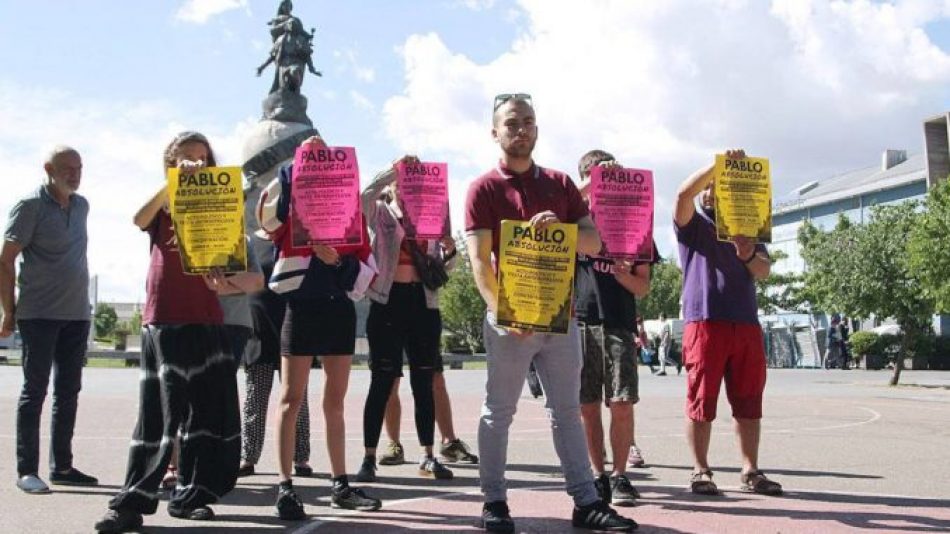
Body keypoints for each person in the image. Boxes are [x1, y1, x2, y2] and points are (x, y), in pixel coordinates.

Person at [465, 93, 637, 533]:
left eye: (528, 121)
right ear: (495, 132)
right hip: (510, 321)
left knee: (567, 410)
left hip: (561, 317)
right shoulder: (482, 189)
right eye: (511, 123)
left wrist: (560, 230)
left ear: (537, 129)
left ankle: (586, 501)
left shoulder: (560, 184)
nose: (520, 129)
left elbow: (594, 242)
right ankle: (495, 503)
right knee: (498, 411)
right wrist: (501, 312)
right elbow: (480, 261)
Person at [95, 132, 241, 533]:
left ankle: (191, 494)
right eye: (186, 158)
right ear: (171, 161)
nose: (195, 163)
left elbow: (232, 257)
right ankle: (132, 502)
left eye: (201, 158)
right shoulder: (163, 205)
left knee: (205, 412)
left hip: (207, 315)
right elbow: (139, 218)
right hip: (164, 315)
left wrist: (226, 274)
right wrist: (172, 182)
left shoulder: (219, 203)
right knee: (159, 414)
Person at [257, 135, 381, 520]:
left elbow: (363, 271)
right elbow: (265, 221)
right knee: (290, 398)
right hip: (300, 305)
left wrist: (333, 261)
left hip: (337, 309)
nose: (318, 161)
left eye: (324, 156)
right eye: (310, 159)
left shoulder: (350, 211)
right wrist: (290, 173)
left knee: (334, 402)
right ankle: (285, 486)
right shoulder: (287, 200)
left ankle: (340, 484)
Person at [674, 148, 782, 496]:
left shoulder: (749, 223)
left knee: (749, 401)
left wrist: (747, 252)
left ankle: (750, 470)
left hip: (745, 321)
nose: (715, 191)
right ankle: (700, 469)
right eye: (713, 185)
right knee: (701, 400)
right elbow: (682, 194)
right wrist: (718, 165)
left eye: (723, 185)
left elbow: (763, 271)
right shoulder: (694, 223)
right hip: (705, 320)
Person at [355, 156, 458, 483]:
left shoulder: (432, 215)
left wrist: (450, 249)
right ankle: (369, 457)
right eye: (406, 184)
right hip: (388, 301)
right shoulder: (383, 212)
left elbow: (444, 270)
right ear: (396, 186)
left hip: (423, 302)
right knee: (382, 380)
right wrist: (392, 169)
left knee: (423, 380)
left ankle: (428, 455)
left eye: (418, 186)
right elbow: (361, 200)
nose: (412, 191)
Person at [1, 145, 98, 494]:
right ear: (48, 169)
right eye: (67, 168)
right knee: (35, 391)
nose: (74, 174)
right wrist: (8, 311)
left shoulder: (82, 205)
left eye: (79, 167)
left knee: (69, 391)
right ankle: (27, 470)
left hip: (76, 314)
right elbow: (5, 259)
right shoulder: (29, 207)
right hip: (38, 314)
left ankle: (63, 466)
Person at [573, 149, 657, 507]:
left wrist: (623, 273)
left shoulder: (635, 221)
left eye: (610, 177)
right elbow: (563, 206)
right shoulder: (575, 220)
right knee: (587, 405)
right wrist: (591, 185)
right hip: (582, 320)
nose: (605, 183)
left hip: (619, 322)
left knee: (621, 402)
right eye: (596, 177)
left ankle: (621, 476)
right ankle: (598, 474)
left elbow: (643, 285)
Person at [238, 230, 313, 479]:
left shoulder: (294, 238)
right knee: (255, 396)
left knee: (297, 397)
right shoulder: (249, 242)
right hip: (258, 330)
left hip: (292, 326)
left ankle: (300, 457)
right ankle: (248, 457)